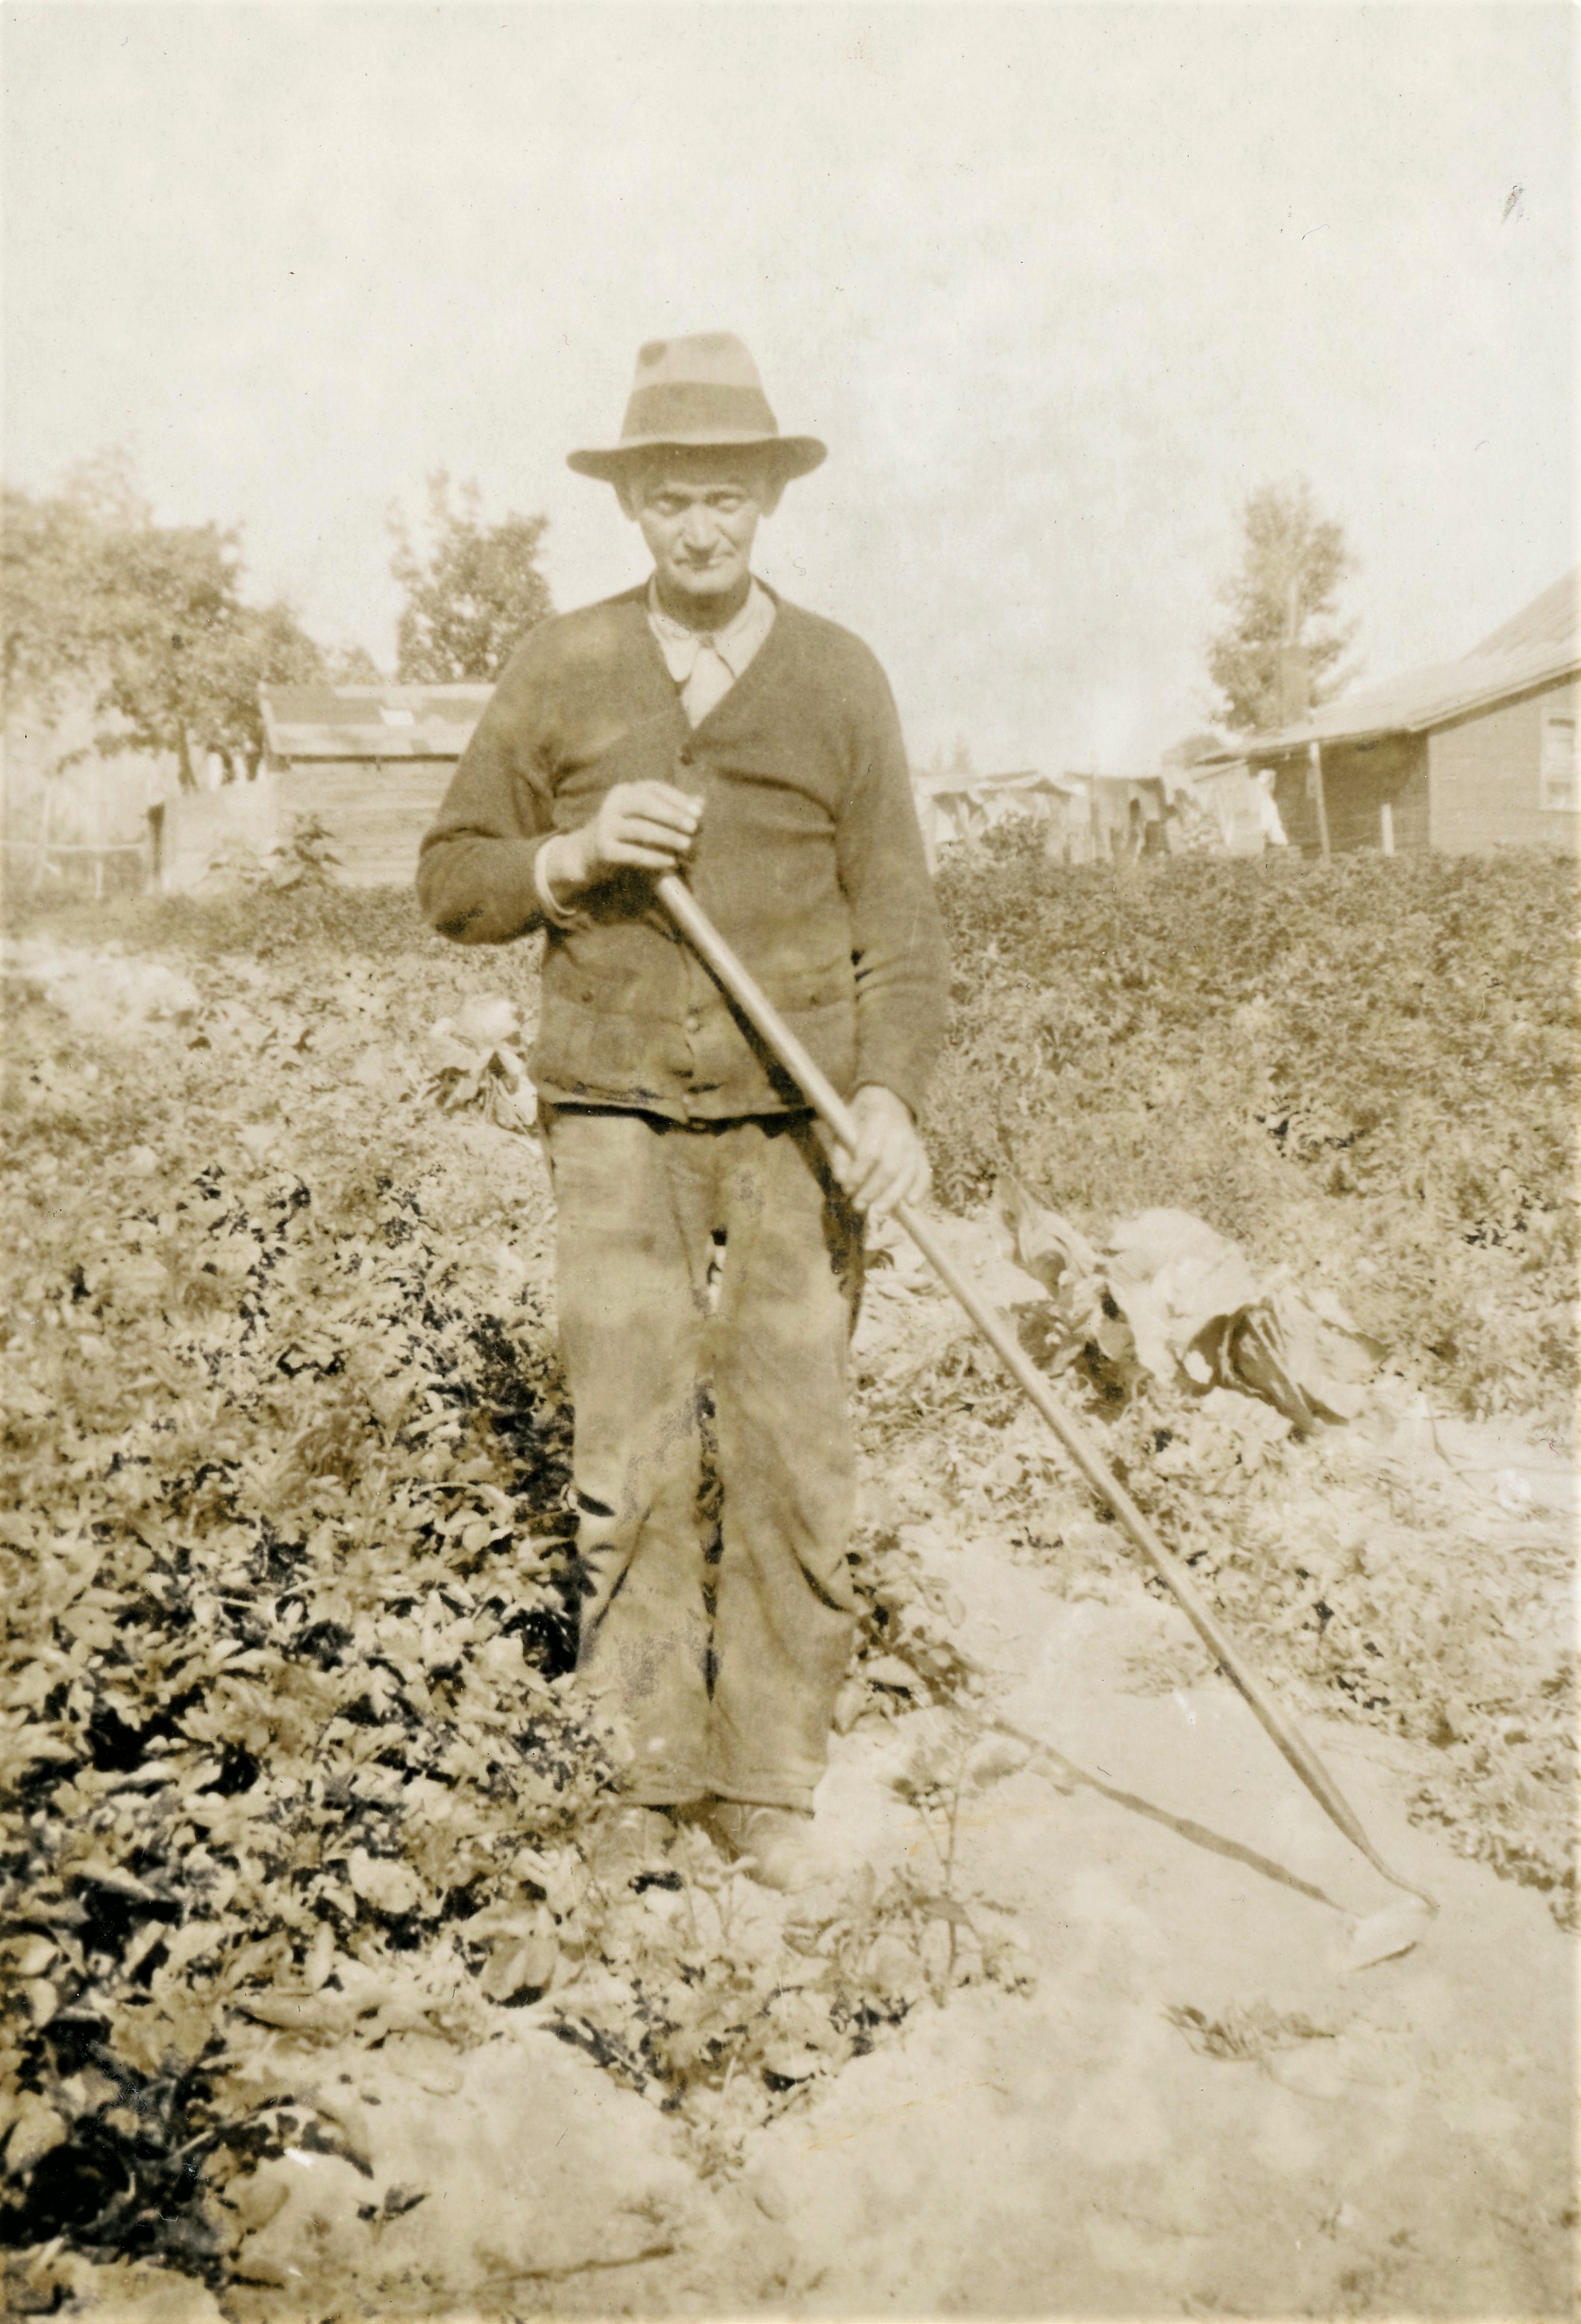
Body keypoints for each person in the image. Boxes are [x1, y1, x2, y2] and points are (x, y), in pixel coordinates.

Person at [417, 333, 949, 1890]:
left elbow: (900, 923)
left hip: (798, 1121)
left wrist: (889, 1098)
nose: (701, 528)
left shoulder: (839, 676)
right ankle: (639, 1776)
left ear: (767, 501)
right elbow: (451, 877)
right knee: (631, 1442)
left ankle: (767, 1783)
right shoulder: (561, 664)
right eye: (672, 499)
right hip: (614, 1114)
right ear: (631, 504)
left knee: (794, 1447)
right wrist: (572, 857)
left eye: (726, 497)